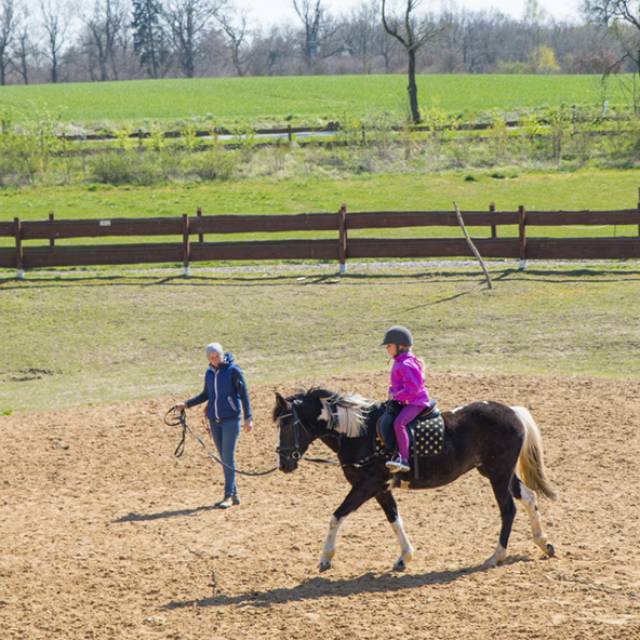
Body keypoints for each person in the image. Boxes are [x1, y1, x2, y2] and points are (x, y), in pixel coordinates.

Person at [176, 343, 253, 508]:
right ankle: (234, 494)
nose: (214, 360)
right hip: (214, 420)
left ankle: (228, 497)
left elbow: (244, 394)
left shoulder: (233, 371)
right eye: (211, 358)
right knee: (224, 459)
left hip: (231, 420)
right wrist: (186, 404)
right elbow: (206, 395)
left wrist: (248, 418)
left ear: (222, 355)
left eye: (216, 357)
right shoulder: (209, 373)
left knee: (228, 457)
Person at [381, 326, 433, 474]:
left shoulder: (406, 364)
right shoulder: (399, 361)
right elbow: (398, 385)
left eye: (389, 345)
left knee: (399, 423)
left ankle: (403, 459)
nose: (387, 349)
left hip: (416, 402)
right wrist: (392, 391)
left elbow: (413, 389)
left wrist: (396, 395)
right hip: (406, 401)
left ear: (400, 346)